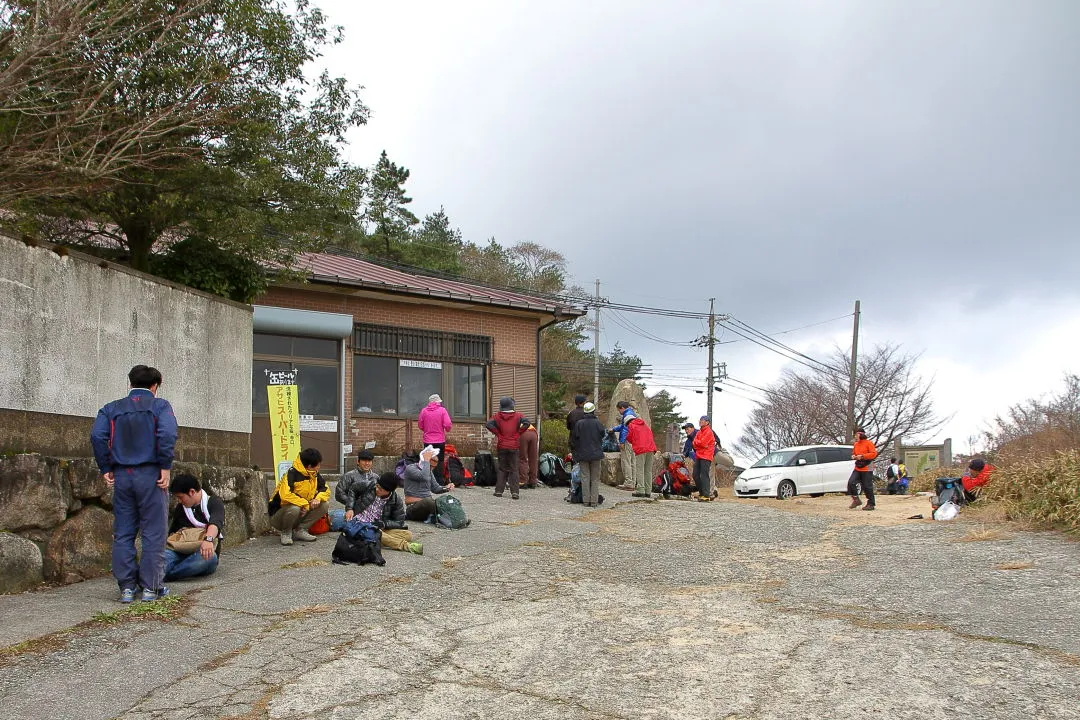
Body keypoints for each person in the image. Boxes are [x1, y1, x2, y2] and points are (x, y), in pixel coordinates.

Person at [90, 364, 177, 604]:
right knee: (153, 532)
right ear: (155, 386)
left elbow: (97, 436)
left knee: (124, 533)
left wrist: (106, 467)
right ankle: (151, 587)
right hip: (151, 475)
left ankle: (127, 588)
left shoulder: (111, 408)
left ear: (130, 383)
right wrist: (165, 466)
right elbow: (167, 434)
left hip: (122, 476)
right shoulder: (160, 406)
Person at [341, 470, 424, 555]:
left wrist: (384, 524)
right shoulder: (369, 485)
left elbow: (399, 522)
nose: (377, 489)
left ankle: (371, 540)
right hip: (358, 524)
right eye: (377, 486)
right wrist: (349, 508)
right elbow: (353, 488)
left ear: (389, 491)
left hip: (377, 526)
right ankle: (405, 546)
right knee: (376, 533)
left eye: (381, 489)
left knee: (408, 535)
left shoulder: (396, 500)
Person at [164, 474, 223, 581]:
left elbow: (216, 523)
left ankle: (165, 576)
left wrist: (208, 539)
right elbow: (172, 533)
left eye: (180, 497)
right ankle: (156, 576)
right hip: (179, 551)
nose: (179, 501)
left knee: (208, 559)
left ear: (191, 492)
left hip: (202, 552)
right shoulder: (181, 508)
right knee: (160, 559)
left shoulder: (214, 502)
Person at [270, 447, 329, 545]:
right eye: (318, 465)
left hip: (300, 512)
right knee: (294, 508)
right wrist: (304, 504)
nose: (319, 467)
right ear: (309, 466)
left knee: (324, 504)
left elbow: (325, 489)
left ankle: (301, 530)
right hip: (280, 514)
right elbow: (286, 495)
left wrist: (317, 498)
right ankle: (286, 533)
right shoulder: (291, 474)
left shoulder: (314, 474)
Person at [614, 403, 657, 498]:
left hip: (641, 450)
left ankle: (640, 490)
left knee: (640, 470)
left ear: (627, 422)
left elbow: (629, 437)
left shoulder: (631, 426)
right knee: (648, 470)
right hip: (651, 448)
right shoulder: (644, 424)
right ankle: (648, 491)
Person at [402, 446, 455, 521]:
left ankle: (456, 519)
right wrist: (426, 460)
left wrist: (446, 487)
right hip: (413, 507)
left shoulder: (428, 472)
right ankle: (443, 518)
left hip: (428, 505)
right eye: (430, 466)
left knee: (448, 501)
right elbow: (423, 477)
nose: (431, 469)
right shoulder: (410, 468)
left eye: (434, 467)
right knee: (428, 501)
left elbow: (435, 488)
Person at [486, 397, 524, 499]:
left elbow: (488, 424)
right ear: (512, 405)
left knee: (502, 468)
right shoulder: (518, 416)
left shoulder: (497, 416)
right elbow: (527, 423)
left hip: (502, 445)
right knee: (514, 469)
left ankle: (499, 491)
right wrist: (518, 433)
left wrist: (498, 433)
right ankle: (515, 492)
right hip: (514, 445)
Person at [571, 402, 605, 507]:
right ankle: (594, 501)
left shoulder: (579, 424)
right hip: (596, 454)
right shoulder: (598, 423)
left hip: (582, 455)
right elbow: (603, 435)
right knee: (595, 478)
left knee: (585, 477)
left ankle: (586, 501)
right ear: (593, 411)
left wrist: (576, 452)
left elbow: (574, 439)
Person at [417, 394, 452, 481]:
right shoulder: (442, 410)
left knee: (427, 460)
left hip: (428, 440)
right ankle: (439, 481)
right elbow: (447, 424)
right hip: (440, 440)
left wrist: (426, 430)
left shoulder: (424, 411)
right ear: (438, 402)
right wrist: (447, 429)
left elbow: (420, 425)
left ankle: (427, 480)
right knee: (439, 461)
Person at [336, 449, 378, 520]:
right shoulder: (349, 476)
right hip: (353, 512)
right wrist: (353, 504)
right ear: (358, 462)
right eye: (364, 460)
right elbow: (339, 493)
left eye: (369, 461)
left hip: (372, 512)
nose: (367, 463)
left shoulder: (376, 477)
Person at [847, 428, 878, 510]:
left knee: (867, 486)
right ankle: (856, 499)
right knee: (851, 482)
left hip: (868, 466)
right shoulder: (856, 444)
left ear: (861, 434)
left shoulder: (869, 443)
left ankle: (871, 504)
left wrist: (863, 456)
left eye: (856, 434)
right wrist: (853, 456)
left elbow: (874, 454)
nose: (855, 436)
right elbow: (854, 453)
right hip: (858, 466)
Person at [692, 416, 717, 502]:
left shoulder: (709, 432)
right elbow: (694, 443)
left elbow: (703, 443)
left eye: (702, 420)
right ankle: (702, 492)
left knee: (704, 475)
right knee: (695, 474)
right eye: (700, 420)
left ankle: (706, 495)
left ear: (707, 422)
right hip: (699, 455)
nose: (700, 422)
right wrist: (699, 443)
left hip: (706, 456)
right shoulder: (699, 432)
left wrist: (699, 443)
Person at [518, 417, 540, 489]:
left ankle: (523, 481)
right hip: (534, 433)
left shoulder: (510, 421)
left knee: (522, 458)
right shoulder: (521, 418)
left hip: (523, 434)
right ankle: (533, 481)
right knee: (533, 459)